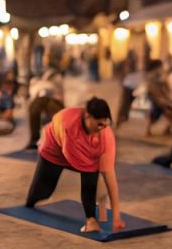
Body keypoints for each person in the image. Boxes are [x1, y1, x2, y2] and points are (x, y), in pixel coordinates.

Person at [25, 97, 126, 234]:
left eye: (105, 123)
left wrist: (117, 217)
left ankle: (92, 220)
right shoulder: (69, 125)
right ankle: (30, 203)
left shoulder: (106, 136)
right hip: (53, 148)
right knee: (43, 192)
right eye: (99, 124)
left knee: (94, 178)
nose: (102, 128)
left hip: (75, 149)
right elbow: (76, 159)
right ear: (88, 116)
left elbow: (110, 177)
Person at [27, 68, 64, 149]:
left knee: (59, 116)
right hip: (43, 97)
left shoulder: (56, 78)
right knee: (34, 110)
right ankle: (35, 139)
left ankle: (57, 140)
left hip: (52, 98)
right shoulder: (36, 80)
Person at [144, 60, 172, 136]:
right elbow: (154, 87)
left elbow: (164, 85)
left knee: (169, 113)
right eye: (161, 65)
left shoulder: (155, 74)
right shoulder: (154, 74)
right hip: (157, 97)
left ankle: (167, 129)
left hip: (159, 97)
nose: (162, 67)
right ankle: (148, 131)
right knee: (160, 113)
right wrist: (161, 97)